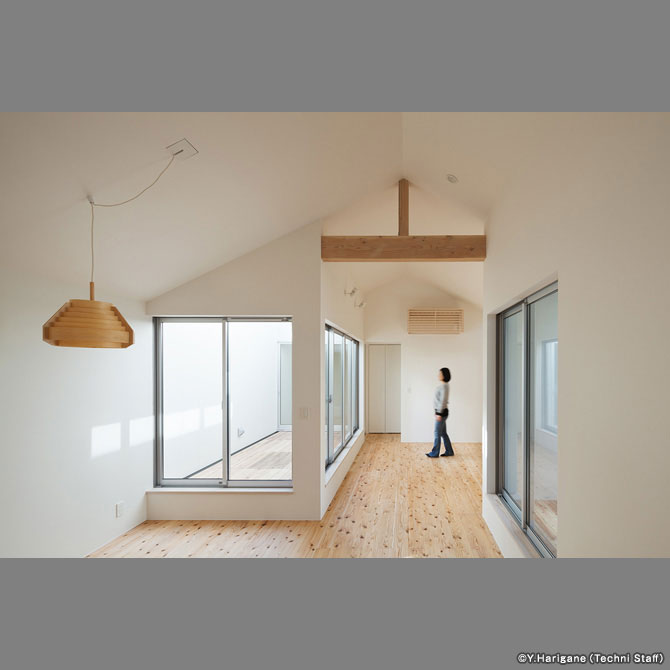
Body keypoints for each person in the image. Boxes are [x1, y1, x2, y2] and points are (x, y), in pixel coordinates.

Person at [426, 367, 454, 458]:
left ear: (444, 375)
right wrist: (437, 412)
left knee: (437, 433)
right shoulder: (445, 385)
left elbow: (443, 401)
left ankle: (435, 453)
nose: (438, 375)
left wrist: (439, 413)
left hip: (441, 413)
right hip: (441, 412)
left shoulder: (444, 386)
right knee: (443, 433)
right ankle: (449, 451)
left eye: (440, 374)